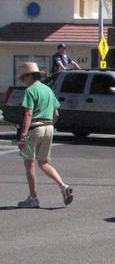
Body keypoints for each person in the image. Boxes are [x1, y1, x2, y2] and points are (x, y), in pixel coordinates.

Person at [16, 62, 73, 208]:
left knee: (29, 163)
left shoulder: (30, 91)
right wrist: (50, 124)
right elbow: (56, 113)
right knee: (44, 162)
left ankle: (33, 198)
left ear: (29, 76)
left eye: (24, 78)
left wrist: (23, 135)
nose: (24, 81)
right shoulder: (48, 90)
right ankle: (63, 186)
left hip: (35, 127)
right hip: (49, 127)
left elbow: (28, 113)